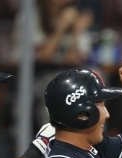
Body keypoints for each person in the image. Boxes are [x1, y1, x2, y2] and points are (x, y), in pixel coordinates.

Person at [12, 0, 95, 131]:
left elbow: (73, 59)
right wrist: (61, 28)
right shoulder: (30, 16)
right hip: (34, 74)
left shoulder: (73, 16)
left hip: (67, 74)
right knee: (55, 88)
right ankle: (52, 141)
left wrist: (76, 32)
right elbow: (44, 57)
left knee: (94, 81)